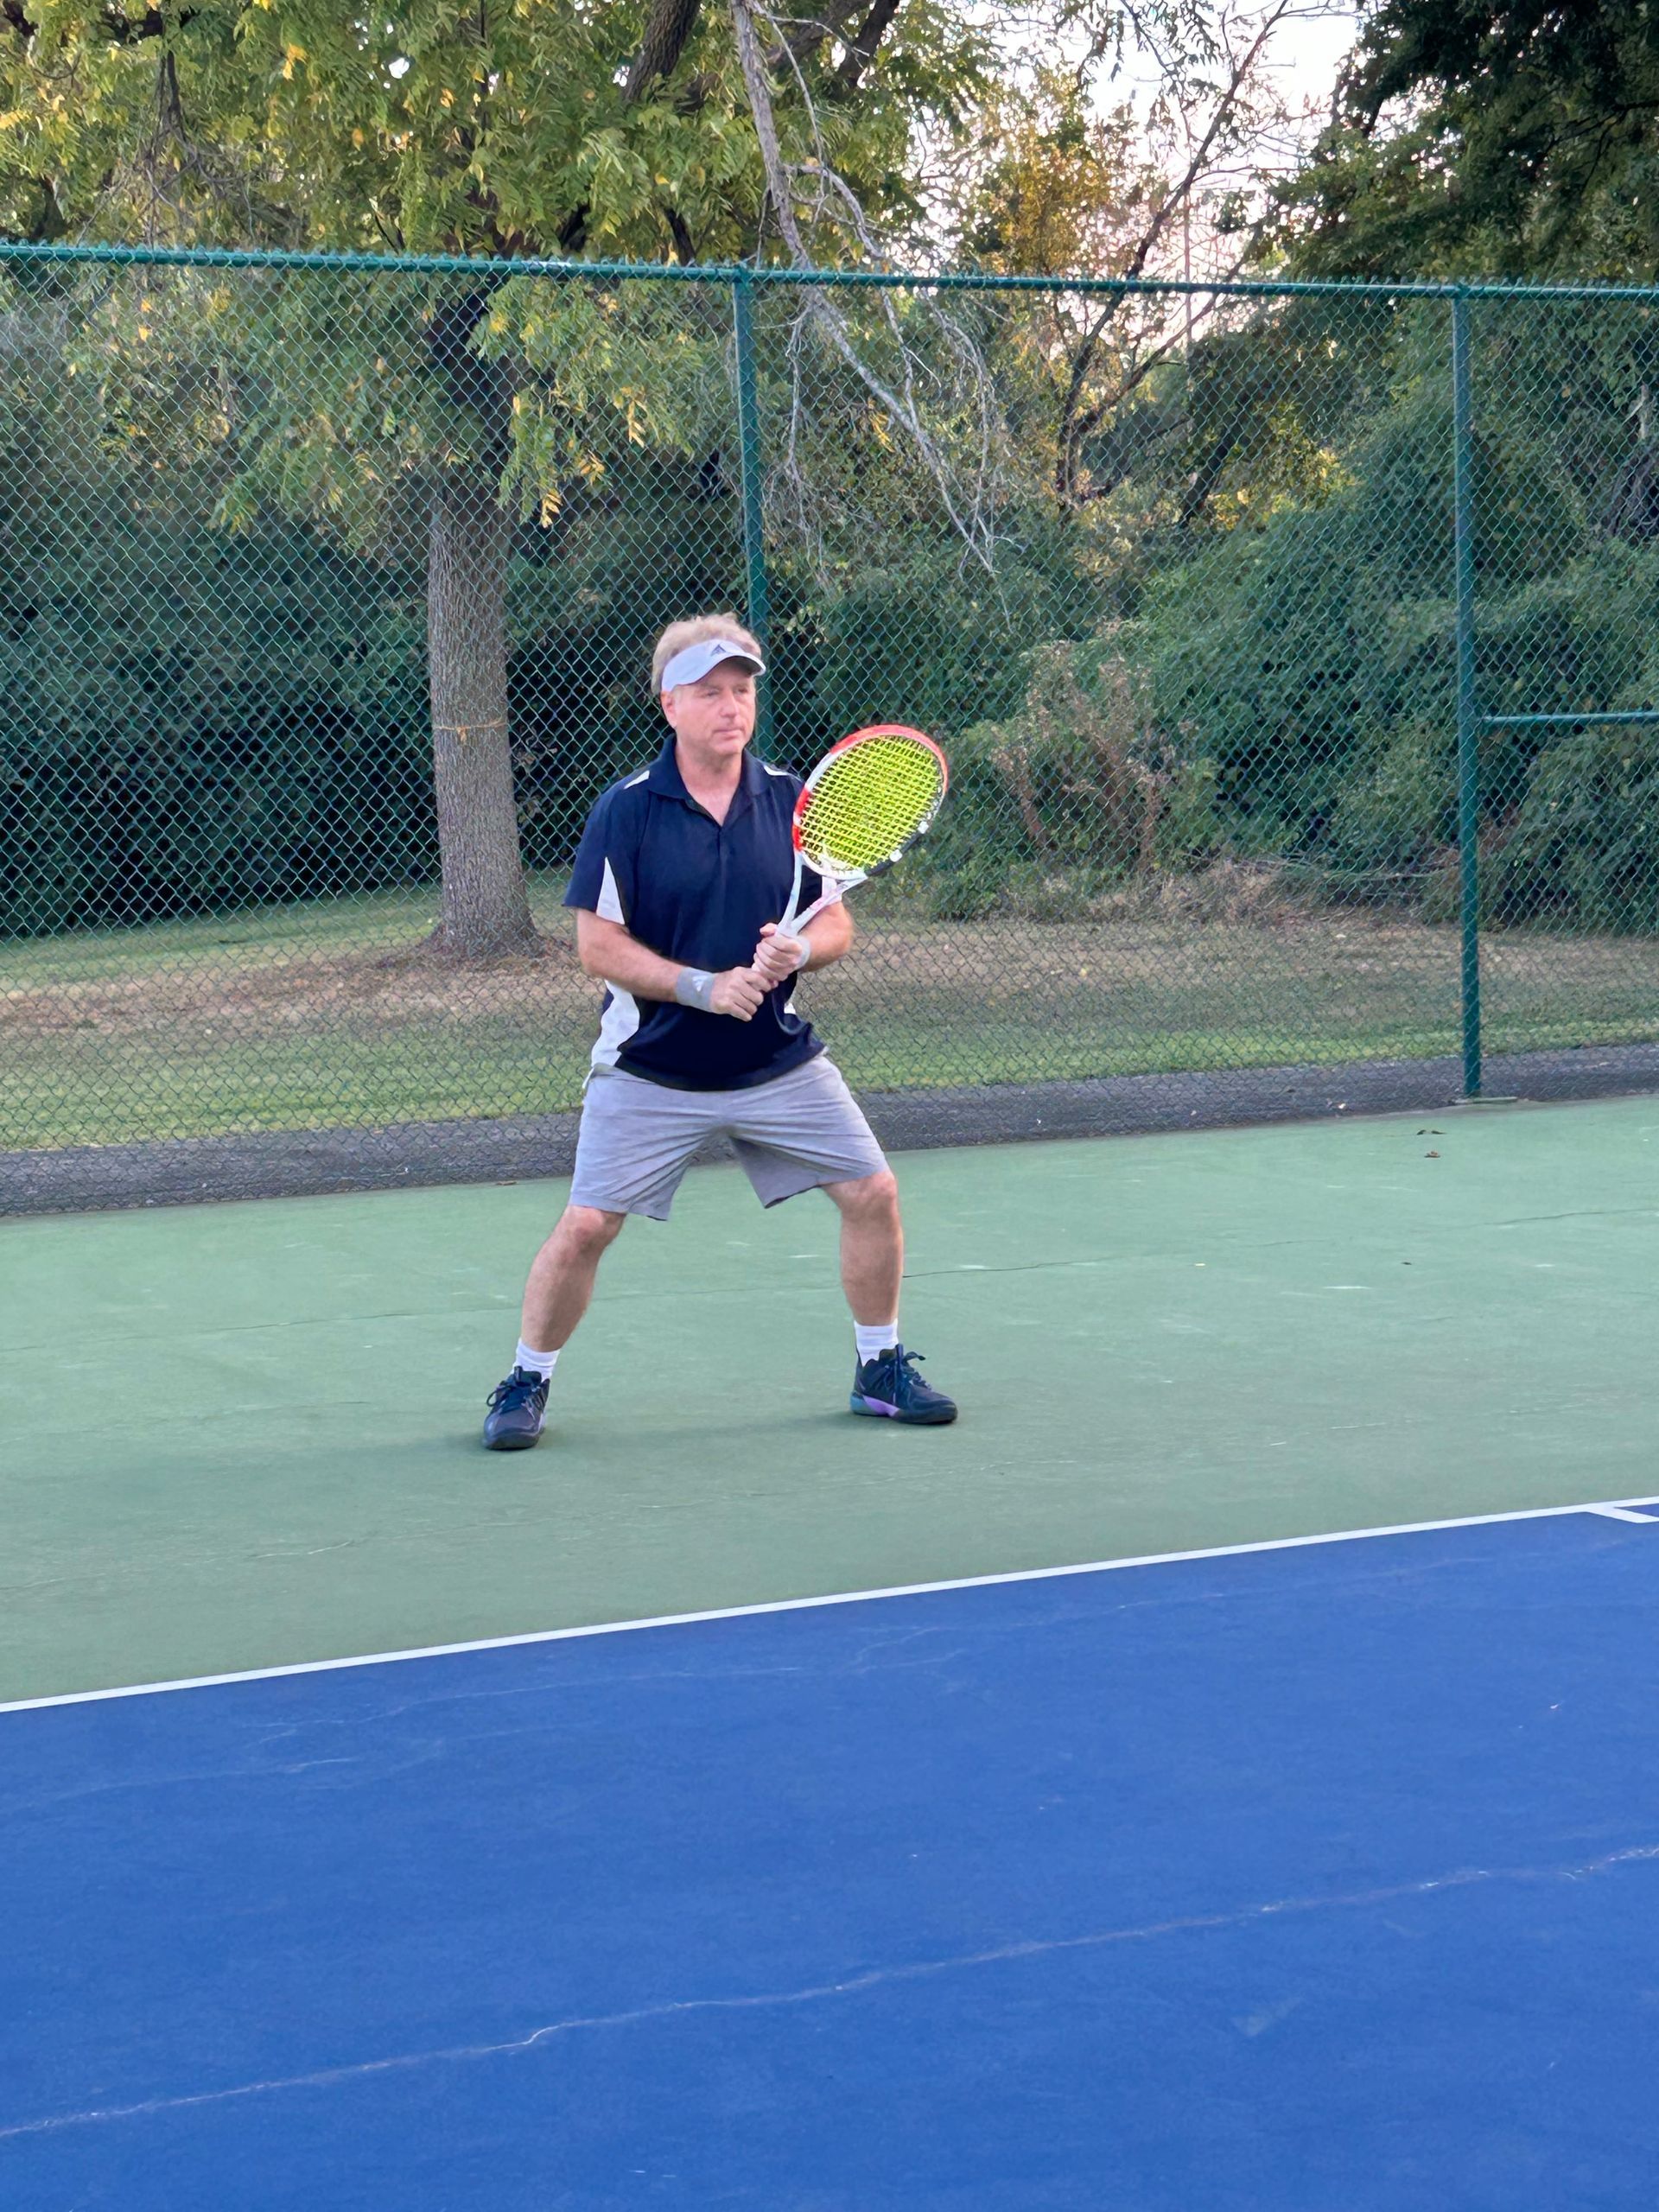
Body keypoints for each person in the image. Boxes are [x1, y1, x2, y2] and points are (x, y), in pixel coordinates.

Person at [482, 613, 957, 1449]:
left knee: (873, 1191)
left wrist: (799, 946)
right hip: (651, 1069)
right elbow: (597, 945)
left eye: (742, 691)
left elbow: (836, 925)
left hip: (775, 1062)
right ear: (669, 704)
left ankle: (878, 1368)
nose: (731, 707)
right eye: (710, 692)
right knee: (588, 1223)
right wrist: (702, 987)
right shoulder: (626, 813)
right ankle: (527, 1378)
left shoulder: (791, 803)